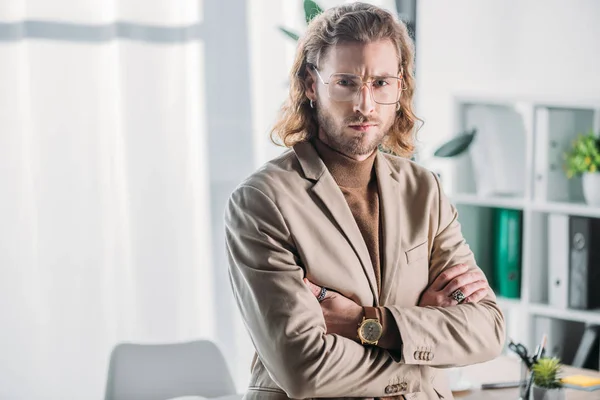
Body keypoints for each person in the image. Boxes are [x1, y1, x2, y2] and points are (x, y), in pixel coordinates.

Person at [225, 3, 505, 399]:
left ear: (400, 85)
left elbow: (486, 330)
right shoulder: (262, 202)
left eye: (380, 83)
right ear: (311, 83)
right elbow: (304, 368)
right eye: (346, 82)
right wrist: (422, 357)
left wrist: (367, 323)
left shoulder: (424, 190)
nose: (365, 105)